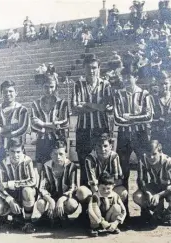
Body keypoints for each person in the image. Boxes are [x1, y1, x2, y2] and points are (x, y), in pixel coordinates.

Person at [114, 64, 153, 203]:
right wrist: (137, 117)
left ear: (135, 77)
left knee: (143, 169)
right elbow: (117, 119)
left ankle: (145, 208)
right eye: (123, 77)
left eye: (128, 77)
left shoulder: (144, 94)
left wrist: (130, 117)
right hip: (123, 135)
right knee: (123, 170)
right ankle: (124, 210)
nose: (125, 79)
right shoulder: (118, 94)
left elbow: (149, 116)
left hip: (140, 135)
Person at [72, 54, 113, 185]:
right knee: (84, 167)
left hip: (101, 130)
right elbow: (75, 108)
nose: (91, 71)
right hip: (83, 130)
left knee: (103, 166)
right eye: (89, 68)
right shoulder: (78, 84)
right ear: (84, 68)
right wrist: (98, 107)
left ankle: (102, 202)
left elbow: (107, 108)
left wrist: (87, 104)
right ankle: (85, 203)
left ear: (99, 68)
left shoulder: (106, 85)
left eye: (94, 67)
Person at [36, 140, 83, 226]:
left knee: (72, 204)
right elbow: (41, 188)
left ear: (66, 154)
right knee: (40, 203)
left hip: (65, 199)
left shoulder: (72, 167)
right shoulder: (46, 166)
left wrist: (61, 199)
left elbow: (73, 188)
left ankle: (62, 215)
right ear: (51, 155)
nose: (58, 157)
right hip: (51, 198)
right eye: (55, 154)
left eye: (61, 154)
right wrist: (51, 201)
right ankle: (49, 216)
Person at [0, 139, 37, 233]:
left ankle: (28, 221)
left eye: (18, 152)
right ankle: (9, 216)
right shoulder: (2, 164)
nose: (15, 155)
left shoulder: (27, 161)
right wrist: (10, 200)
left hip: (23, 194)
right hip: (11, 194)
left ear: (22, 151)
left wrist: (12, 184)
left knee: (28, 191)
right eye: (12, 151)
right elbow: (0, 187)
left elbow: (33, 181)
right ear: (8, 151)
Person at [31, 74, 69, 173]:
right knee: (41, 169)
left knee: (59, 169)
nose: (49, 90)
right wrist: (53, 126)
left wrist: (43, 124)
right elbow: (34, 125)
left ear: (56, 86)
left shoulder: (62, 103)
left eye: (52, 87)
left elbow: (65, 123)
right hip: (42, 141)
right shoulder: (35, 104)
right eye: (46, 87)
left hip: (58, 141)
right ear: (42, 87)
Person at [0, 80, 29, 168]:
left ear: (16, 93)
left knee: (18, 175)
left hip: (17, 149)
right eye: (5, 92)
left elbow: (23, 128)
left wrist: (1, 129)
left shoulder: (22, 110)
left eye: (11, 91)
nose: (8, 94)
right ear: (1, 93)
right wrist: (13, 126)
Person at [133, 140, 171, 225]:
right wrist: (148, 193)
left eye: (154, 154)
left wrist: (158, 195)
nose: (151, 158)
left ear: (160, 151)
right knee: (137, 196)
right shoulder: (143, 160)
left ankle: (167, 213)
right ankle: (153, 211)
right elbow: (141, 181)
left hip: (168, 189)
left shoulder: (168, 161)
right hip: (155, 186)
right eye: (148, 155)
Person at [85, 133, 128, 203]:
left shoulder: (114, 156)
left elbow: (118, 180)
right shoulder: (90, 158)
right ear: (95, 147)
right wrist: (100, 196)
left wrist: (106, 191)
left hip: (109, 188)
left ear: (111, 146)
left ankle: (113, 209)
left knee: (123, 192)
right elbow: (92, 183)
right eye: (99, 146)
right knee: (82, 192)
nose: (102, 149)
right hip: (96, 189)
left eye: (105, 146)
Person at [88, 172, 126, 237]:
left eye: (108, 188)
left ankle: (111, 227)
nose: (105, 191)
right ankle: (95, 228)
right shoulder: (95, 196)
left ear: (113, 186)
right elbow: (90, 210)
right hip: (98, 219)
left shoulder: (115, 195)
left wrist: (116, 222)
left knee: (117, 207)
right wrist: (102, 222)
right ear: (97, 186)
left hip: (109, 218)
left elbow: (124, 211)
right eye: (103, 188)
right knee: (94, 208)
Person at [151, 71, 171, 156]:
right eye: (161, 84)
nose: (164, 86)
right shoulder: (153, 99)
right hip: (158, 134)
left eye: (166, 83)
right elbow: (150, 118)